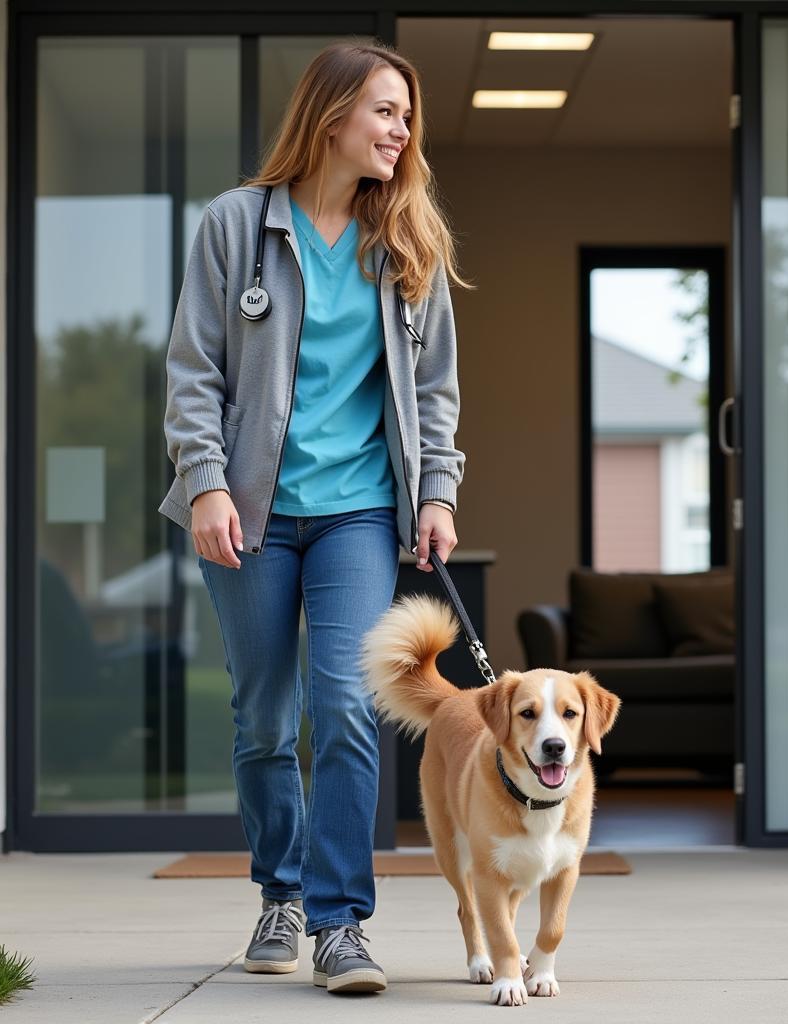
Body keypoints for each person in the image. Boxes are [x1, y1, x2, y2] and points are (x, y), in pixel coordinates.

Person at [158, 40, 468, 995]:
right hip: (249, 517)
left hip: (358, 517)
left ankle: (340, 921)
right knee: (262, 716)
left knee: (343, 703)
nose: (401, 130)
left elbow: (435, 390)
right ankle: (279, 894)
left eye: (407, 116)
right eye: (386, 111)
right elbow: (193, 370)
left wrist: (438, 490)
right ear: (332, 116)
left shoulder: (406, 240)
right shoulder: (236, 226)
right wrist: (206, 479)